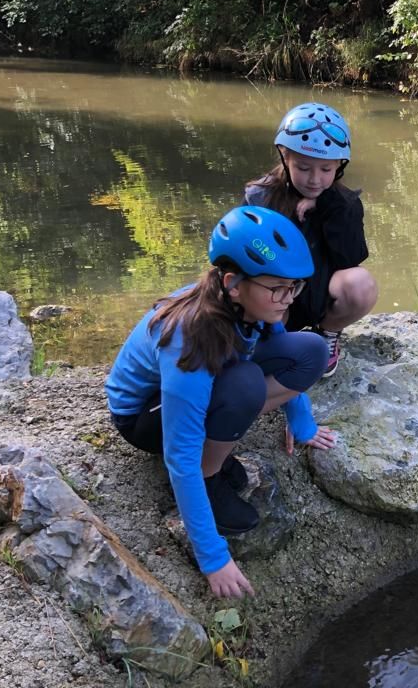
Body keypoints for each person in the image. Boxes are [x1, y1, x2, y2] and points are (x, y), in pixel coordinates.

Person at [105, 206, 337, 599]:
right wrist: (213, 558)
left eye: (294, 287)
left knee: (311, 349)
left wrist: (302, 425)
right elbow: (179, 454)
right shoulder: (190, 340)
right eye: (278, 288)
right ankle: (210, 478)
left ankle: (220, 439)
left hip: (207, 377)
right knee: (244, 385)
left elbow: (283, 347)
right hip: (144, 415)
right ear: (233, 283)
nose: (287, 299)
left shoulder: (253, 305)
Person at [244, 102, 377, 377]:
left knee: (361, 283)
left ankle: (328, 332)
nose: (315, 179)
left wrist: (327, 207)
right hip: (275, 296)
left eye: (326, 170)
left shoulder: (344, 204)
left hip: (318, 295)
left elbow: (349, 259)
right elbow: (244, 258)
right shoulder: (260, 198)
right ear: (285, 157)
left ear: (339, 167)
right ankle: (272, 344)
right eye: (303, 168)